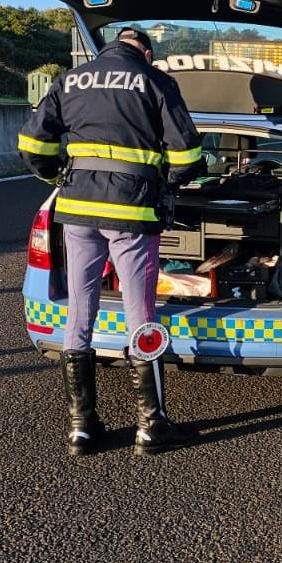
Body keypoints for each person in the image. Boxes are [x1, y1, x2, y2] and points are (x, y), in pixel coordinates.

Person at [17, 27, 206, 456]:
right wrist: (164, 185)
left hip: (78, 211)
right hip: (133, 214)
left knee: (80, 314)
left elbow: (31, 144)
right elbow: (188, 156)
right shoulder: (155, 81)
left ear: (108, 48)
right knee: (140, 313)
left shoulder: (71, 79)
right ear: (147, 52)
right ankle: (150, 426)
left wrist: (59, 178)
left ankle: (82, 429)